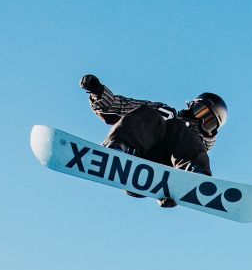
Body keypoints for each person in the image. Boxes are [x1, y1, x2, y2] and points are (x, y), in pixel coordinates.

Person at [80, 74, 227, 206]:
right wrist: (98, 92)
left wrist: (174, 192)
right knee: (155, 114)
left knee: (185, 133)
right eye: (201, 111)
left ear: (212, 131)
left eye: (208, 122)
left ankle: (193, 177)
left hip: (166, 170)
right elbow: (122, 107)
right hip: (138, 153)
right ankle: (118, 150)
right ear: (192, 106)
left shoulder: (195, 143)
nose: (200, 121)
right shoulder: (165, 113)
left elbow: (196, 149)